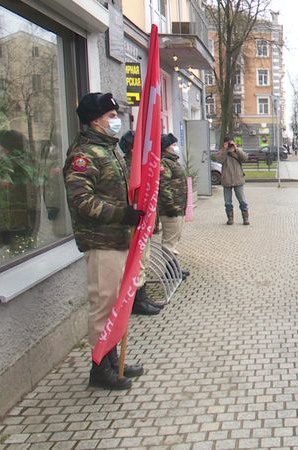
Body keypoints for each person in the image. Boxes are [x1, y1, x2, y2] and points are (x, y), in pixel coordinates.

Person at [64, 92, 145, 390]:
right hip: (102, 242)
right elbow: (82, 200)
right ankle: (100, 367)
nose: (116, 120)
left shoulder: (109, 150)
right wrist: (122, 215)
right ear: (95, 120)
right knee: (104, 305)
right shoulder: (84, 155)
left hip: (118, 240)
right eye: (111, 116)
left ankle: (113, 360)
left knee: (117, 304)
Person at [118, 130, 162, 315]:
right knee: (138, 262)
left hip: (144, 221)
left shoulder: (140, 166)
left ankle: (142, 296)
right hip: (134, 223)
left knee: (144, 259)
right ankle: (137, 300)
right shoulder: (131, 168)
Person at [0, 130, 41, 252]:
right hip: (11, 225)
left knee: (22, 257)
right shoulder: (7, 167)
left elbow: (27, 200)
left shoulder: (19, 169)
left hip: (18, 226)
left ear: (8, 148)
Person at [158, 133, 187, 254]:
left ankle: (173, 269)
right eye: (173, 145)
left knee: (174, 240)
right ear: (166, 147)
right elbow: (163, 185)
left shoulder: (172, 161)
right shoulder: (164, 162)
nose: (176, 147)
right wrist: (170, 206)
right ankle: (169, 271)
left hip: (178, 206)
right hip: (171, 209)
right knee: (169, 242)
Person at [216, 137, 250, 225]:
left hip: (238, 179)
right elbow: (220, 160)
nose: (229, 144)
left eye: (230, 142)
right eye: (227, 143)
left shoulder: (237, 151)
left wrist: (236, 149)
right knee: (227, 202)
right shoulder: (221, 152)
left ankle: (245, 218)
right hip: (226, 180)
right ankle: (230, 218)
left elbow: (245, 158)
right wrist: (225, 150)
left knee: (242, 200)